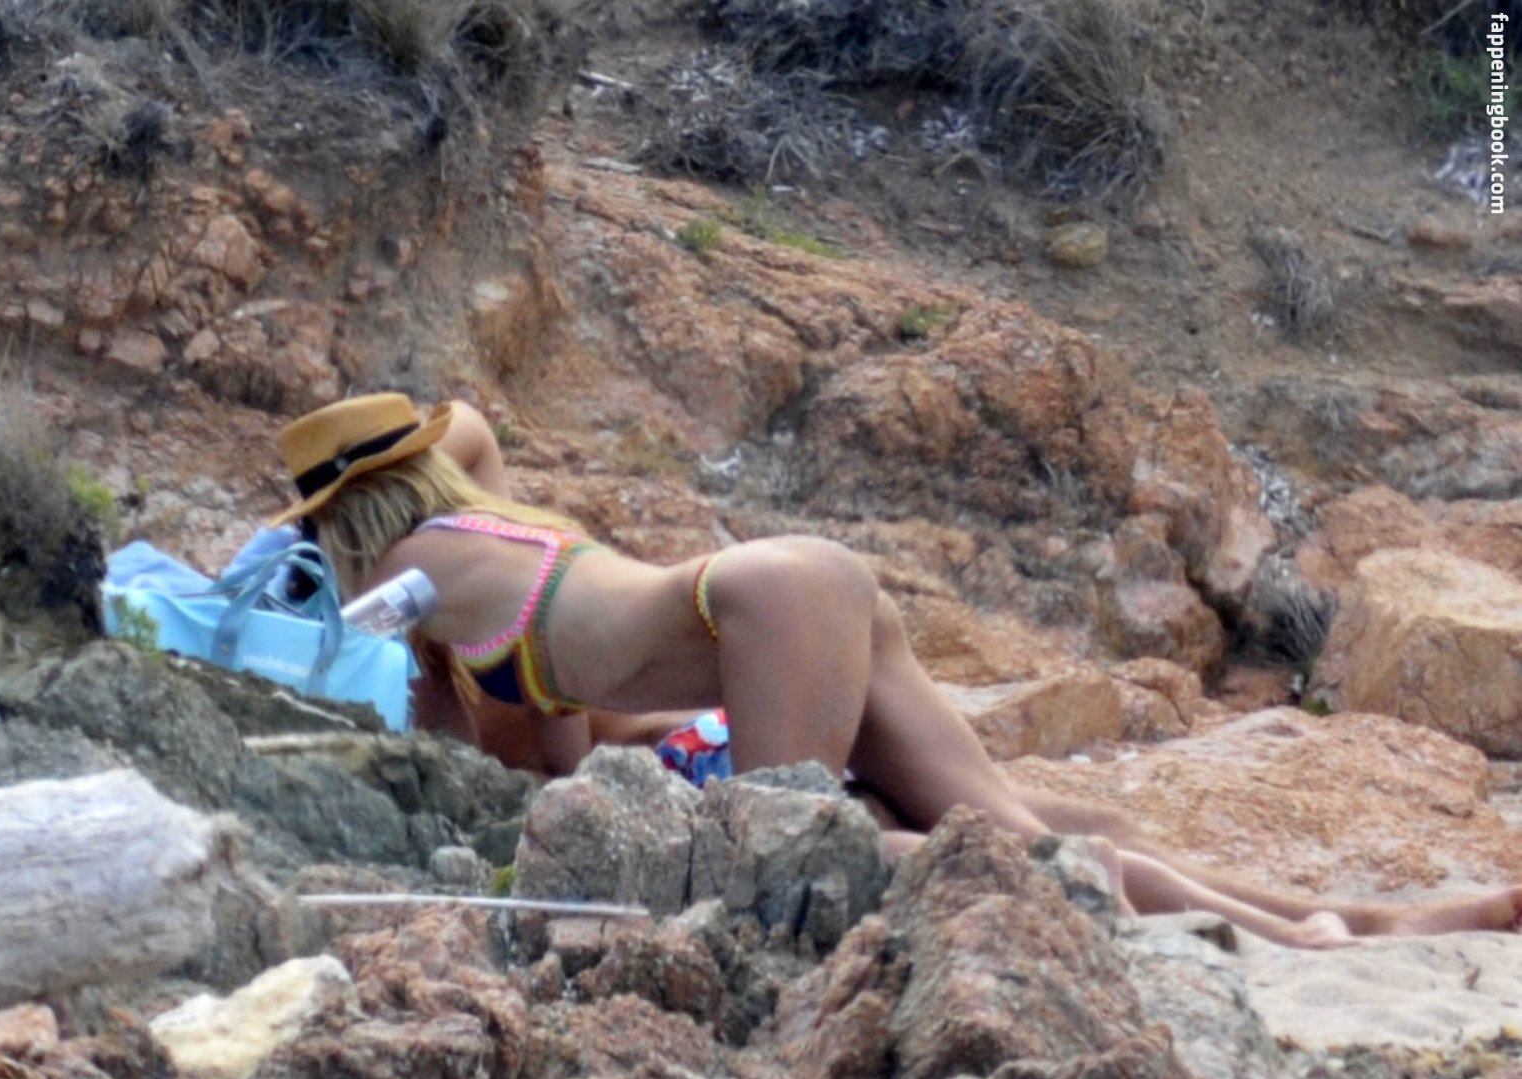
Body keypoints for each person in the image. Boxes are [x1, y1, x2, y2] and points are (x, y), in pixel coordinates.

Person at [276, 392, 1522, 949]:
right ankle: (1352, 922)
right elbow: (467, 426)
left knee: (851, 860)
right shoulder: (488, 521)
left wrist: (283, 584)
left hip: (758, 607)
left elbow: (522, 761)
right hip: (799, 586)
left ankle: (1309, 935)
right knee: (1026, 824)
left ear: (347, 529)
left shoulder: (424, 578)